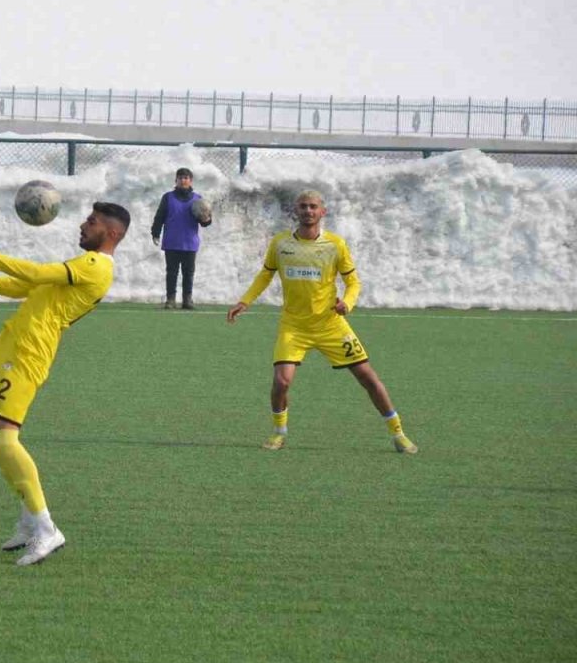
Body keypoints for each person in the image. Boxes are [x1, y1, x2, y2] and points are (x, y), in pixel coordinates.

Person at [0, 201, 131, 566]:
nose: (84, 225)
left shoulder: (96, 266)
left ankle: (46, 527)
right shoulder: (78, 267)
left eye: (93, 221)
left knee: (4, 438)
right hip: (7, 347)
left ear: (112, 234)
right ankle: (27, 517)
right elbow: (21, 286)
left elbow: (35, 271)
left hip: (27, 353)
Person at [226, 189, 417, 454]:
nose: (308, 211)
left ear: (322, 211)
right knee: (281, 382)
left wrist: (347, 303)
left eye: (313, 206)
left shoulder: (335, 245)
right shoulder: (280, 244)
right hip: (294, 326)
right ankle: (279, 433)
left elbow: (353, 281)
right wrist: (244, 301)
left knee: (368, 377)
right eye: (303, 206)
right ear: (296, 210)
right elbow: (265, 275)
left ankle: (398, 433)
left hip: (330, 324)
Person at [150, 167, 211, 309]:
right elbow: (160, 216)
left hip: (190, 243)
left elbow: (204, 221)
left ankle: (187, 300)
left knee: (188, 273)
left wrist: (207, 219)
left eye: (186, 178)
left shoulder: (198, 199)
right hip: (172, 242)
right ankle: (170, 300)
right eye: (180, 178)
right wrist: (155, 232)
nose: (183, 180)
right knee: (171, 272)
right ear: (176, 180)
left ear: (191, 181)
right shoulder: (168, 197)